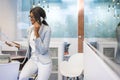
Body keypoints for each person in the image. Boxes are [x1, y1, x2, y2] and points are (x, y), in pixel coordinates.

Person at [6, 6, 52, 80]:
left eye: (32, 17)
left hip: (44, 62)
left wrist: (37, 33)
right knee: (22, 77)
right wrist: (15, 45)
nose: (30, 19)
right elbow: (30, 47)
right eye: (30, 16)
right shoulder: (30, 29)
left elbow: (43, 50)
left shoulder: (47, 29)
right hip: (33, 60)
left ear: (40, 18)